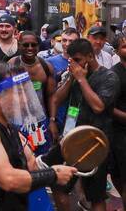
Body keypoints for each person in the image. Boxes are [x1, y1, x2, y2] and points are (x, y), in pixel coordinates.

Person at [0, 62, 77, 210]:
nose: (24, 99)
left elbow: (32, 165)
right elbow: (8, 179)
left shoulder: (8, 125)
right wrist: (53, 175)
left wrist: (65, 148)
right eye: (17, 92)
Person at [48, 39, 120, 211]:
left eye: (78, 60)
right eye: (71, 60)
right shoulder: (75, 75)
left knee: (96, 195)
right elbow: (57, 98)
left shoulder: (109, 77)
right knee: (59, 186)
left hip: (94, 143)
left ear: (90, 56)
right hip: (71, 139)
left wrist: (81, 79)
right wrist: (72, 77)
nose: (74, 64)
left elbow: (98, 106)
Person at [7, 31, 56, 153]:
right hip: (18, 122)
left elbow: (51, 96)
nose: (30, 48)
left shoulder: (46, 66)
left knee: (41, 157)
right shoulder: (11, 65)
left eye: (33, 45)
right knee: (21, 157)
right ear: (19, 45)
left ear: (38, 46)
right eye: (26, 45)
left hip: (41, 121)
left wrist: (52, 120)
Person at [110, 33, 126, 208]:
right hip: (120, 134)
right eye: (124, 46)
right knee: (120, 175)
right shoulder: (114, 74)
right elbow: (109, 107)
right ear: (116, 50)